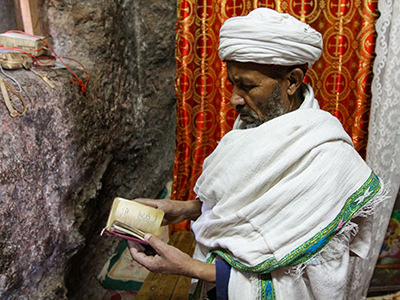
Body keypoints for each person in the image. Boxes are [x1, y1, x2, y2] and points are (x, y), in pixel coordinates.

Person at [128, 8, 385, 300]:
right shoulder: (252, 128)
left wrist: (192, 268)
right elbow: (251, 207)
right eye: (232, 84)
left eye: (247, 86)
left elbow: (316, 277)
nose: (234, 99)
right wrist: (183, 209)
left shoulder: (328, 159)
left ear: (292, 81)